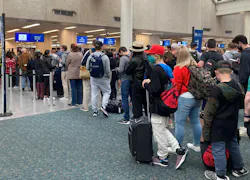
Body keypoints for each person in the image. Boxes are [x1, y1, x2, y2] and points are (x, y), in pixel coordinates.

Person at [142, 44, 188, 169]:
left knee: (158, 131)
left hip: (159, 104)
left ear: (156, 56)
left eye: (151, 55)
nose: (149, 56)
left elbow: (155, 89)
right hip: (168, 102)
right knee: (163, 129)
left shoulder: (157, 69)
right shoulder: (167, 68)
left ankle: (162, 158)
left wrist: (145, 84)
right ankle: (178, 148)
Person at [203, 60, 249, 180]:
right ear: (231, 71)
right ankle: (239, 168)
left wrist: (206, 132)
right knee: (233, 145)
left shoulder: (216, 89)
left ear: (217, 72)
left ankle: (220, 175)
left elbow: (209, 112)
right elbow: (241, 103)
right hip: (232, 122)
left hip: (218, 125)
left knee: (218, 149)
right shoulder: (237, 85)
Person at [173, 46, 202, 152]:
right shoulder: (196, 66)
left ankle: (178, 147)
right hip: (197, 96)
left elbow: (177, 85)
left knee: (179, 123)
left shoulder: (179, 68)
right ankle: (197, 144)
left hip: (184, 97)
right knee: (195, 121)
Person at [86, 41, 111, 117]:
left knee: (94, 93)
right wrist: (108, 76)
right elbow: (107, 69)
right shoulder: (105, 57)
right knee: (106, 92)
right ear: (102, 47)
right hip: (103, 77)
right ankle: (103, 106)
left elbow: (87, 67)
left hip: (93, 77)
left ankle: (94, 110)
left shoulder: (91, 56)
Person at [126, 41, 147, 119]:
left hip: (136, 82)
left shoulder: (134, 60)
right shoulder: (145, 57)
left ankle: (137, 118)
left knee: (136, 101)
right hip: (145, 81)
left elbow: (127, 71)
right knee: (145, 100)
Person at [118, 47, 132, 124]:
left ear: (121, 52)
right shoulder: (131, 57)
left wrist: (116, 69)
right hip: (132, 80)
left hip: (125, 79)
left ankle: (126, 118)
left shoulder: (123, 58)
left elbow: (120, 70)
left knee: (125, 99)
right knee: (133, 99)